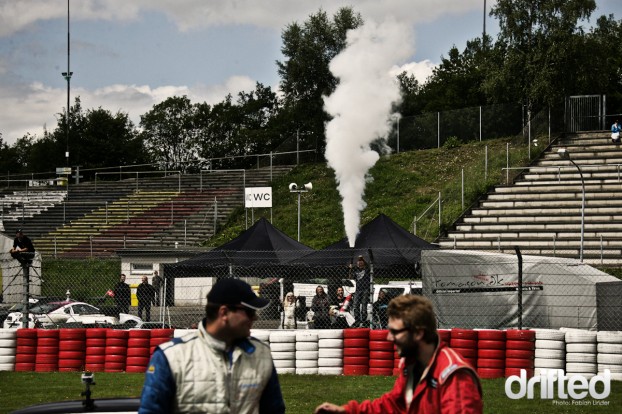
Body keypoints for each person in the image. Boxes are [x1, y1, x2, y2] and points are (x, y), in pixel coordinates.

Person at [314, 295, 482, 414]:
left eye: (395, 332)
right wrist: (347, 411)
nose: (388, 337)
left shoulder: (454, 377)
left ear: (418, 333)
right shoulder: (410, 363)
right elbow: (394, 405)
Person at [139, 278, 285, 414]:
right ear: (224, 312)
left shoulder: (261, 354)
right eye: (249, 311)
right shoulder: (170, 357)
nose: (255, 317)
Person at [350, 255, 371, 327]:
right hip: (358, 290)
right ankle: (357, 320)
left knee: (364, 306)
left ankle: (364, 321)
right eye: (358, 263)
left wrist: (361, 258)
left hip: (365, 289)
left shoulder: (367, 269)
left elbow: (368, 265)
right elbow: (351, 276)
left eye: (361, 263)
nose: (359, 264)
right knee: (355, 305)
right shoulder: (356, 270)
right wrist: (350, 268)